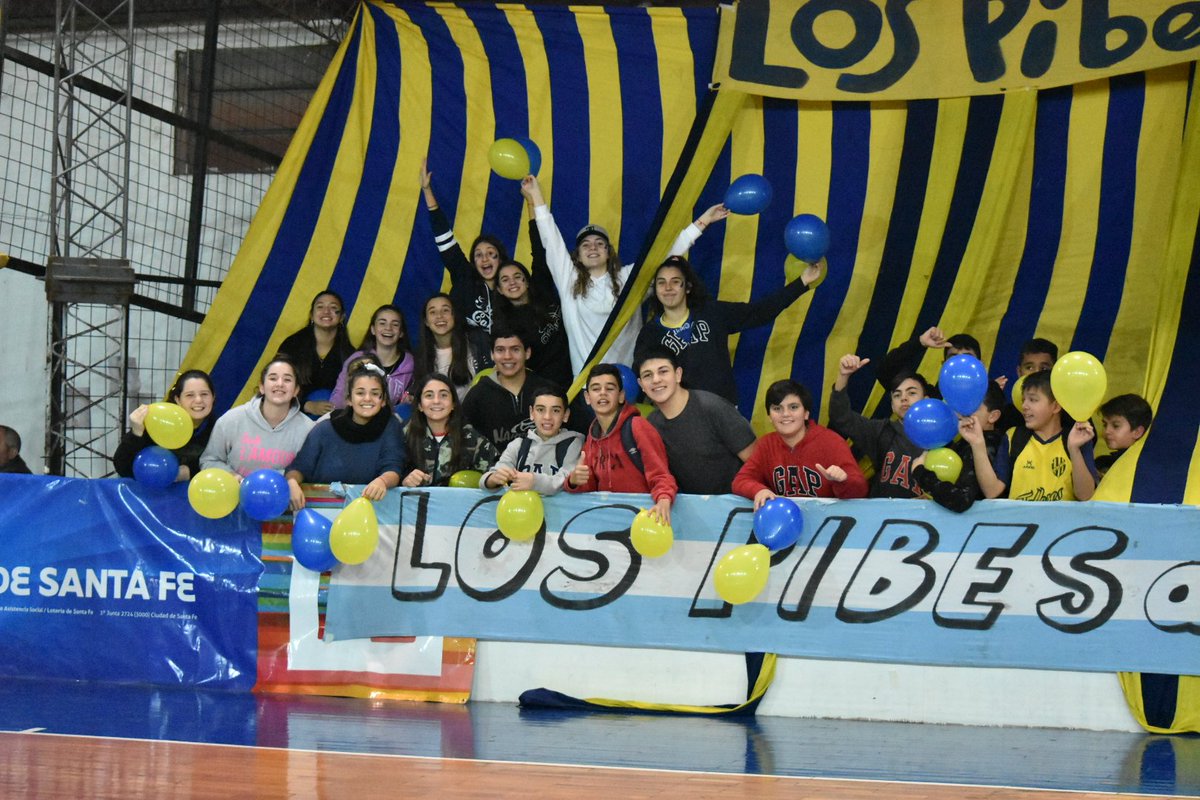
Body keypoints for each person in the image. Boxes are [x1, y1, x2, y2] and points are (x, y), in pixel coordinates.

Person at [520, 175, 705, 374]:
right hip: (587, 385)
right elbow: (551, 239)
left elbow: (663, 256)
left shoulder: (627, 278)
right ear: (578, 256)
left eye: (599, 243)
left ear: (609, 252)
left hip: (628, 383)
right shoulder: (569, 280)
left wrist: (701, 224)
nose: (593, 247)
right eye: (585, 245)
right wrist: (536, 195)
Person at [636, 248, 825, 407]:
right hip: (679, 416)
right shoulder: (650, 333)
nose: (668, 288)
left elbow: (760, 312)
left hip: (723, 409)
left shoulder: (712, 312)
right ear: (655, 289)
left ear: (687, 287)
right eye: (661, 283)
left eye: (675, 282)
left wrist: (801, 283)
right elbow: (641, 376)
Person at [286, 363, 407, 511]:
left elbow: (393, 467)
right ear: (349, 399)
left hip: (371, 511)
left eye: (375, 393)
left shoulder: (391, 427)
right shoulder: (324, 429)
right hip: (322, 511)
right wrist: (292, 482)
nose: (367, 398)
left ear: (383, 401)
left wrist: (383, 481)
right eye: (360, 393)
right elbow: (299, 467)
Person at [635, 348, 756, 495]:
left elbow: (757, 462)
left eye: (663, 371)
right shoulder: (651, 424)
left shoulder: (712, 407)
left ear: (678, 374)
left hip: (740, 502)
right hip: (694, 506)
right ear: (641, 385)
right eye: (648, 375)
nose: (656, 380)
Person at [566, 364, 676, 524]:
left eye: (610, 388)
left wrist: (664, 499)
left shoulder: (638, 426)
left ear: (621, 396)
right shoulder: (591, 439)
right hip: (608, 522)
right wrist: (574, 481)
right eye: (596, 389)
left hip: (644, 520)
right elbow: (590, 487)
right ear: (587, 398)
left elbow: (660, 474)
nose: (602, 393)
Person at [732, 379, 867, 508]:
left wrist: (843, 481)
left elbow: (861, 490)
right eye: (777, 409)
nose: (785, 414)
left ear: (806, 413)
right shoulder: (766, 444)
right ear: (769, 417)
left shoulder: (832, 442)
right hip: (784, 519)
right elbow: (740, 480)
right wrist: (759, 490)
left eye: (793, 407)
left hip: (828, 520)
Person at [420, 158, 504, 360]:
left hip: (505, 361)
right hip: (464, 360)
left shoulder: (511, 287)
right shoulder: (464, 278)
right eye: (478, 255)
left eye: (491, 253)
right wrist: (427, 191)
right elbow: (445, 239)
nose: (485, 259)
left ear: (501, 259)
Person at [828, 355, 927, 498]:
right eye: (897, 395)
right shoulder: (882, 430)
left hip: (925, 511)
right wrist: (843, 376)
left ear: (926, 400)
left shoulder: (942, 436)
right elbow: (840, 416)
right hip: (881, 509)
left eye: (912, 393)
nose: (904, 398)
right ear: (892, 405)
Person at [200, 356, 314, 479]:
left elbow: (309, 472)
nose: (280, 384)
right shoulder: (231, 420)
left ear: (296, 390)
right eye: (273, 378)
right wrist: (231, 476)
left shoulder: (308, 429)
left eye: (287, 380)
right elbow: (209, 460)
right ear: (262, 387)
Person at [911, 382, 1010, 512]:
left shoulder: (986, 445)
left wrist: (921, 473)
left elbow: (962, 499)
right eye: (961, 404)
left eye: (972, 407)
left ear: (993, 416)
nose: (963, 412)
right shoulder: (964, 442)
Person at [1003, 370, 1097, 501]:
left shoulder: (1079, 439)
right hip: (1019, 515)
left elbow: (1085, 495)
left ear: (1056, 406)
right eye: (1023, 400)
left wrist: (1074, 449)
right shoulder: (1013, 437)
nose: (1024, 406)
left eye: (1033, 400)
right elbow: (992, 491)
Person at [461, 325, 554, 452]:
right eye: (500, 350)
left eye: (515, 349)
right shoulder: (477, 395)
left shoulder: (548, 390)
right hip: (496, 464)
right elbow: (463, 440)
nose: (507, 356)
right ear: (492, 354)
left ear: (527, 353)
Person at [112, 369, 216, 482]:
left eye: (204, 394)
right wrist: (136, 433)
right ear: (178, 400)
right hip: (153, 492)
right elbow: (123, 468)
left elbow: (224, 466)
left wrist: (191, 472)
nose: (198, 400)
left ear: (213, 397)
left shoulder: (220, 428)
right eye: (190, 395)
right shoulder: (159, 423)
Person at [481, 386, 583, 495]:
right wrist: (493, 479)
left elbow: (568, 480)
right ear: (531, 413)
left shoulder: (573, 444)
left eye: (555, 411)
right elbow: (490, 478)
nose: (547, 417)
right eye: (540, 410)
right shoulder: (518, 445)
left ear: (565, 415)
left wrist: (534, 482)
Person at [401, 373, 498, 487]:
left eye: (443, 395)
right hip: (413, 498)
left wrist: (490, 480)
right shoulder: (404, 435)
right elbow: (389, 471)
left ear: (453, 404)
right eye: (429, 395)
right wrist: (404, 480)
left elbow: (497, 471)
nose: (436, 401)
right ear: (420, 405)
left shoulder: (471, 438)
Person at [277, 290, 356, 418]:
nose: (326, 311)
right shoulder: (292, 345)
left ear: (341, 317)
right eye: (320, 307)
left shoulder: (350, 354)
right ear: (311, 316)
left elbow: (355, 393)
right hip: (290, 414)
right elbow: (276, 385)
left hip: (332, 418)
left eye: (333, 308)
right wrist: (306, 406)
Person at [494, 260, 571, 390]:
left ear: (527, 281)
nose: (512, 282)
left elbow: (539, 257)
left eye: (517, 277)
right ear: (499, 289)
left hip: (579, 375)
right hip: (546, 390)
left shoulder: (544, 293)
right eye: (505, 280)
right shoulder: (506, 325)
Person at [331, 304, 415, 410]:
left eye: (395, 324)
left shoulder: (411, 364)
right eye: (382, 323)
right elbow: (339, 398)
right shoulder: (357, 359)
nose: (388, 328)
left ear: (401, 332)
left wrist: (409, 400)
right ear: (373, 329)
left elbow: (413, 396)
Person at [876, 326, 982, 399]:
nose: (960, 364)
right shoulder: (928, 397)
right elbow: (886, 371)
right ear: (943, 365)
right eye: (953, 358)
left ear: (980, 365)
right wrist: (920, 343)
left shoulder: (989, 398)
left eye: (967, 358)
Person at [413, 293, 482, 402]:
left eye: (445, 310)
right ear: (426, 321)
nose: (439, 316)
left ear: (454, 315)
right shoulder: (421, 355)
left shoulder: (475, 341)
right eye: (433, 312)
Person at [997, 337, 1059, 431]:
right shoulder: (1004, 416)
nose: (1036, 373)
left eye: (1044, 368)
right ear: (1019, 372)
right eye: (1029, 367)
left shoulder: (1068, 416)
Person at [1095, 393, 1154, 477]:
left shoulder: (1144, 467)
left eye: (1116, 426)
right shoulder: (1102, 463)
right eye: (1105, 425)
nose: (1107, 431)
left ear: (1137, 432)